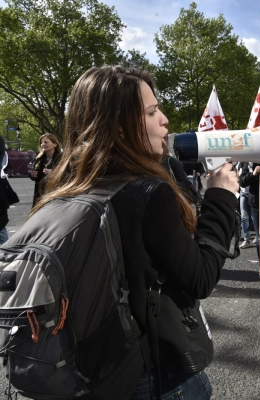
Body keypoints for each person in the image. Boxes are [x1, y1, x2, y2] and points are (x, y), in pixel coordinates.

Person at [33, 66, 239, 399]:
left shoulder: (64, 186)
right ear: (119, 126)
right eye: (152, 111)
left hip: (91, 371)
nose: (165, 119)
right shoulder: (147, 193)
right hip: (157, 377)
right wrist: (221, 197)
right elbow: (199, 278)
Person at [28, 133, 63, 207]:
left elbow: (68, 174)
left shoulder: (62, 158)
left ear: (55, 144)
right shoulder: (39, 158)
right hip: (40, 194)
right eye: (41, 142)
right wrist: (32, 175)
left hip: (55, 193)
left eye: (46, 142)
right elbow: (33, 173)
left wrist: (54, 173)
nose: (43, 144)